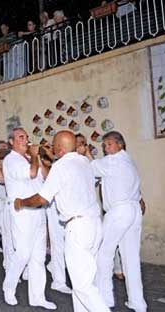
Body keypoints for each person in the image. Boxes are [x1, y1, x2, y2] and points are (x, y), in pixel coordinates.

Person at [14, 130, 110, 312]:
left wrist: (22, 202)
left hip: (78, 227)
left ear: (59, 149)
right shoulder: (84, 162)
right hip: (95, 225)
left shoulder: (61, 166)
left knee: (82, 286)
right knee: (83, 281)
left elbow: (42, 198)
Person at [83, 131, 147, 312]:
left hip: (119, 211)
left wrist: (87, 152)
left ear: (120, 144)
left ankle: (105, 299)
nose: (106, 148)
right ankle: (138, 303)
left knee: (104, 254)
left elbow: (92, 167)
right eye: (104, 145)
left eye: (109, 144)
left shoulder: (114, 160)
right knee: (131, 258)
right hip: (134, 210)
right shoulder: (130, 162)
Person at [2, 127, 56, 310]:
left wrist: (39, 157)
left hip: (38, 210)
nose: (26, 140)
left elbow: (46, 177)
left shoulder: (31, 159)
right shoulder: (11, 160)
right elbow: (30, 174)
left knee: (38, 257)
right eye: (21, 137)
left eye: (26, 137)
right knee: (23, 253)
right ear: (11, 142)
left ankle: (38, 297)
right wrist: (34, 156)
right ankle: (8, 288)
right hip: (22, 211)